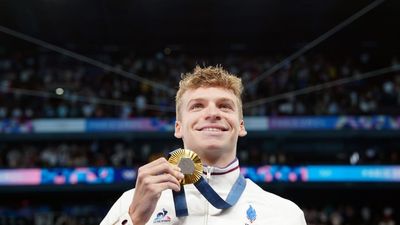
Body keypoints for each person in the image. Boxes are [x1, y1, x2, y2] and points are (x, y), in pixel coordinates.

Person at [101, 66, 307, 225]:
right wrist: (133, 219)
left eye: (225, 106)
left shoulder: (284, 213)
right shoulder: (131, 203)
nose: (212, 113)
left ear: (241, 126)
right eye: (197, 106)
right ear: (178, 127)